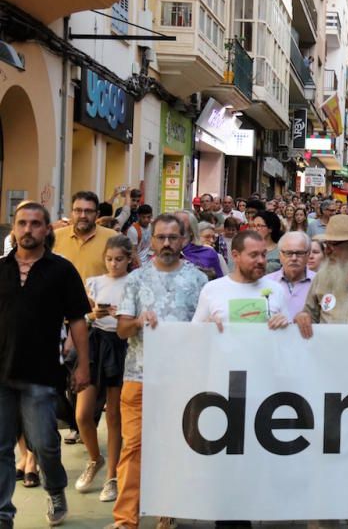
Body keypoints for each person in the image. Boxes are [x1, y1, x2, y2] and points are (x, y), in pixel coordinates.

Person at [111, 214, 207, 529]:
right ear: (151, 241)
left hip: (182, 381)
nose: (166, 243)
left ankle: (167, 510)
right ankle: (126, 519)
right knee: (134, 448)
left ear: (184, 240)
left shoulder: (198, 280)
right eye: (160, 237)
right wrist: (137, 322)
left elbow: (206, 331)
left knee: (173, 448)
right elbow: (121, 330)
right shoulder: (136, 280)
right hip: (139, 377)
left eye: (172, 237)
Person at [0, 201, 91, 527]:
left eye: (36, 223)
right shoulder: (1, 268)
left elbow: (78, 320)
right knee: (1, 447)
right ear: (13, 228)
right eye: (22, 223)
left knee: (45, 445)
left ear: (46, 229)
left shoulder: (62, 270)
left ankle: (55, 489)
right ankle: (3, 515)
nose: (28, 229)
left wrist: (83, 367)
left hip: (41, 374)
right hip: (2, 373)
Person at [76, 236, 133, 503]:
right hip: (96, 343)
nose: (113, 264)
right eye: (109, 259)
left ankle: (111, 475)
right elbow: (82, 315)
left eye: (119, 259)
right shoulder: (95, 282)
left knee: (114, 414)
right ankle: (95, 459)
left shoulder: (134, 283)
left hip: (121, 345)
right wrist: (92, 315)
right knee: (82, 414)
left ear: (129, 259)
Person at [194, 231, 290, 333]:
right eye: (254, 255)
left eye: (263, 254)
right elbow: (194, 334)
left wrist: (284, 325)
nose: (261, 261)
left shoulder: (276, 289)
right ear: (235, 256)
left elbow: (289, 338)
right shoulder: (211, 289)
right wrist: (205, 327)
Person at [54, 190, 119, 282]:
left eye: (88, 211)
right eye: (78, 210)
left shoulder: (112, 238)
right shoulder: (56, 237)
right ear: (71, 213)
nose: (83, 215)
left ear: (97, 214)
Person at [265, 231, 315, 319]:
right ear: (280, 256)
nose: (294, 258)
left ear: (308, 255)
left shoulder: (319, 282)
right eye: (288, 253)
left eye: (299, 253)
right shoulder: (266, 283)